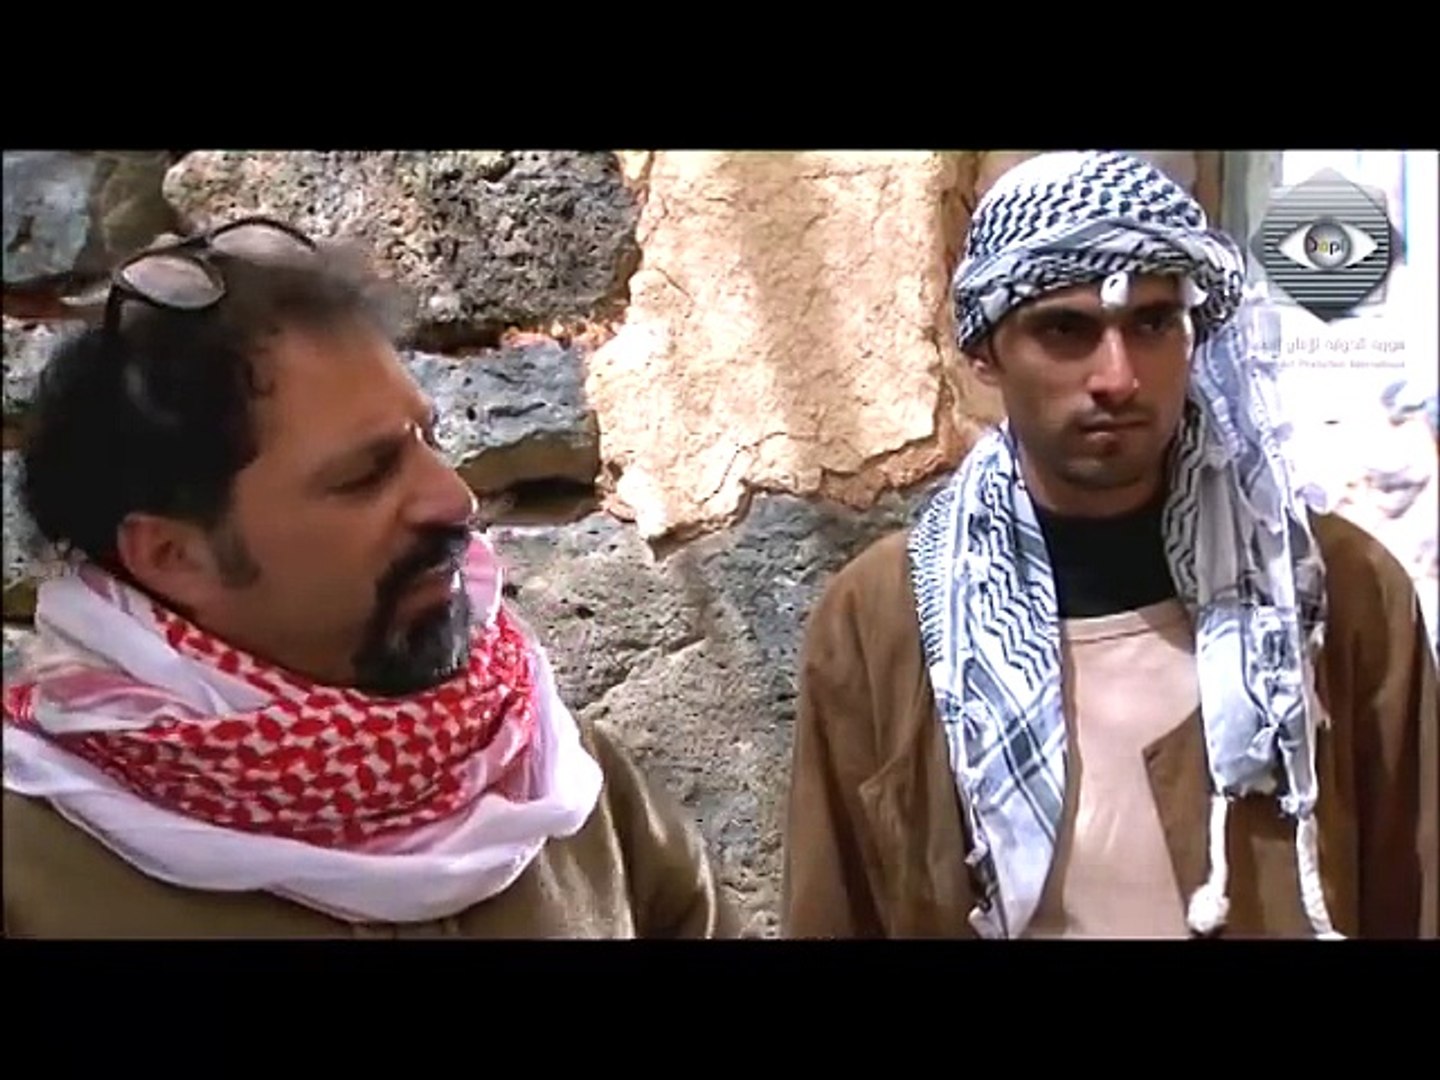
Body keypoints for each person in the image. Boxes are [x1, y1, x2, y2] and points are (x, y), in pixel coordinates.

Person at [3, 217, 737, 939]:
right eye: (365, 475)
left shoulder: (565, 777)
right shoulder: (32, 875)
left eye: (429, 439)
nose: (454, 499)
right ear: (174, 556)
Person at [783, 150, 1438, 939]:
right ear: (985, 352)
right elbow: (835, 908)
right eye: (1067, 329)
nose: (1118, 377)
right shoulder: (883, 620)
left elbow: (1416, 893)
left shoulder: (1335, 591)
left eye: (1152, 324)